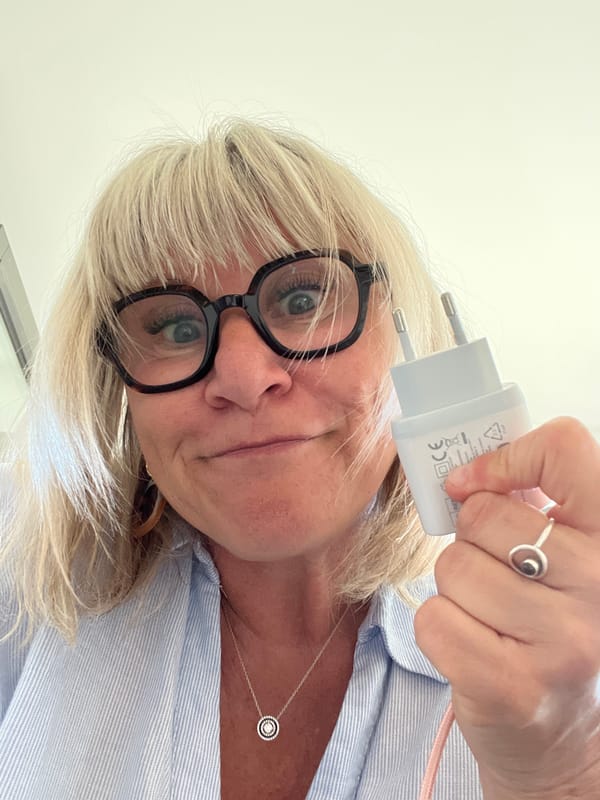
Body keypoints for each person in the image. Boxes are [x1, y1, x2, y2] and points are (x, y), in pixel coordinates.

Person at [0, 119, 598, 800]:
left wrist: (562, 773)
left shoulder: (567, 652)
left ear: (404, 337)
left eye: (302, 299)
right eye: (175, 326)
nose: (242, 377)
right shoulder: (28, 575)